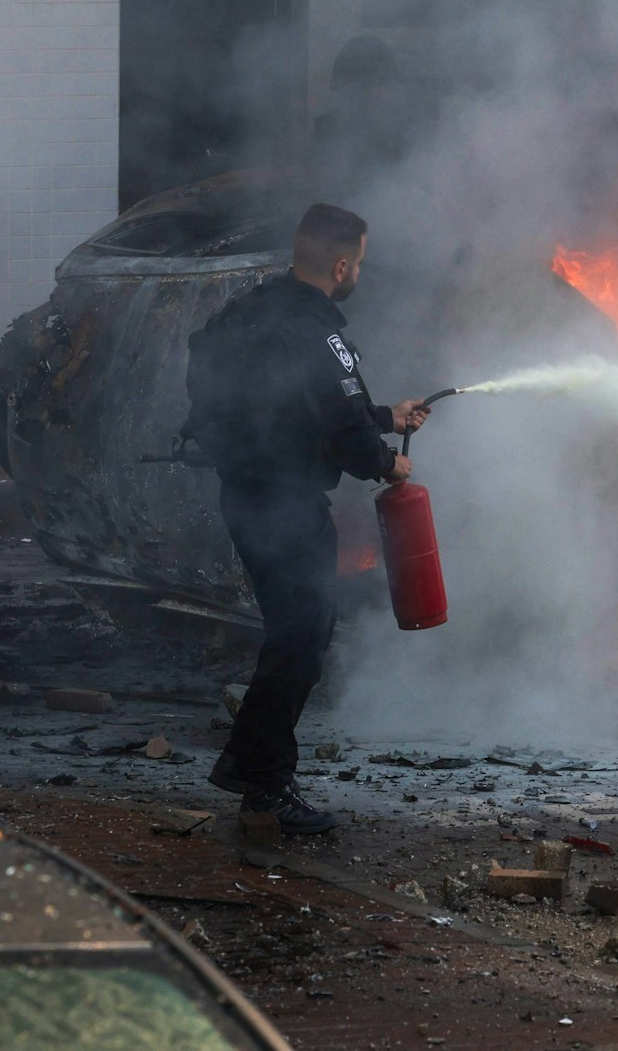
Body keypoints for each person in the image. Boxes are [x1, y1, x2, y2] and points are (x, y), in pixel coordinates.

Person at [190, 203, 432, 833]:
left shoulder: (253, 312)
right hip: (289, 508)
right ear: (343, 264)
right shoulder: (321, 333)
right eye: (362, 264)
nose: (360, 275)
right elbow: (342, 429)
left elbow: (307, 408)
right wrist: (387, 463)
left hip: (246, 495)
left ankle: (247, 769)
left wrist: (384, 417)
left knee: (292, 636)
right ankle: (264, 784)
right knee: (300, 642)